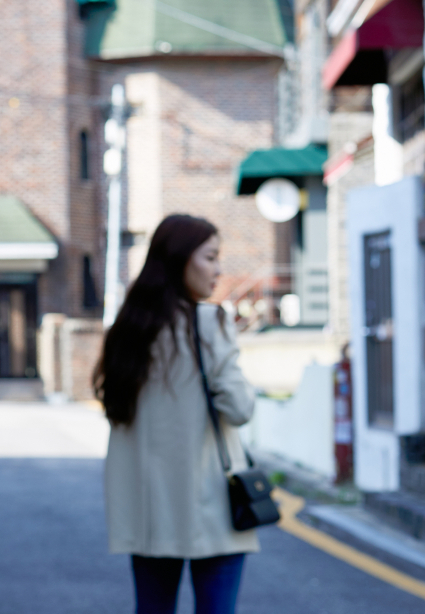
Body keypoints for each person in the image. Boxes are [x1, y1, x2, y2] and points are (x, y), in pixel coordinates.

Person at [94, 214, 258, 614]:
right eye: (210, 257)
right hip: (210, 505)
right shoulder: (209, 322)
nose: (218, 270)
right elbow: (239, 409)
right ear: (181, 259)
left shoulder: (127, 331)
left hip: (150, 511)